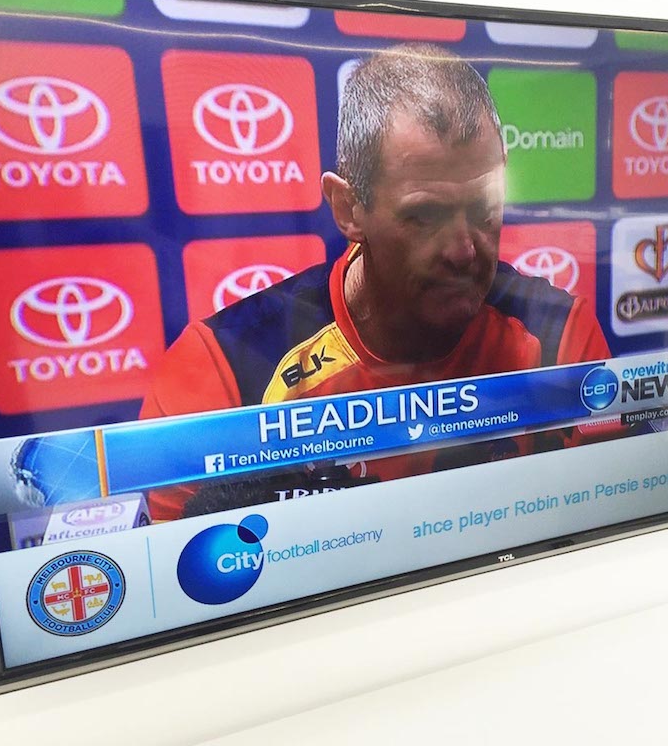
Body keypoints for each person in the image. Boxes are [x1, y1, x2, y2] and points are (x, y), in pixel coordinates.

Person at [141, 43, 610, 520]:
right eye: (424, 216)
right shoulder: (219, 373)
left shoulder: (560, 339)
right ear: (348, 209)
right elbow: (186, 563)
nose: (464, 251)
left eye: (484, 209)